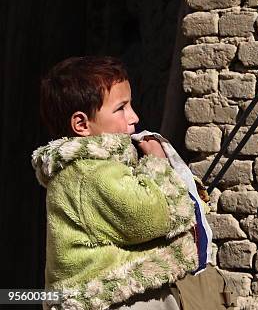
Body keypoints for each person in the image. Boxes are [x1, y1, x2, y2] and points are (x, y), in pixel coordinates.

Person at [31, 56, 214, 310]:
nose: (134, 117)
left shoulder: (97, 168)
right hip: (111, 301)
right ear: (82, 124)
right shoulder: (88, 174)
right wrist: (157, 163)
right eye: (121, 108)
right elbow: (153, 214)